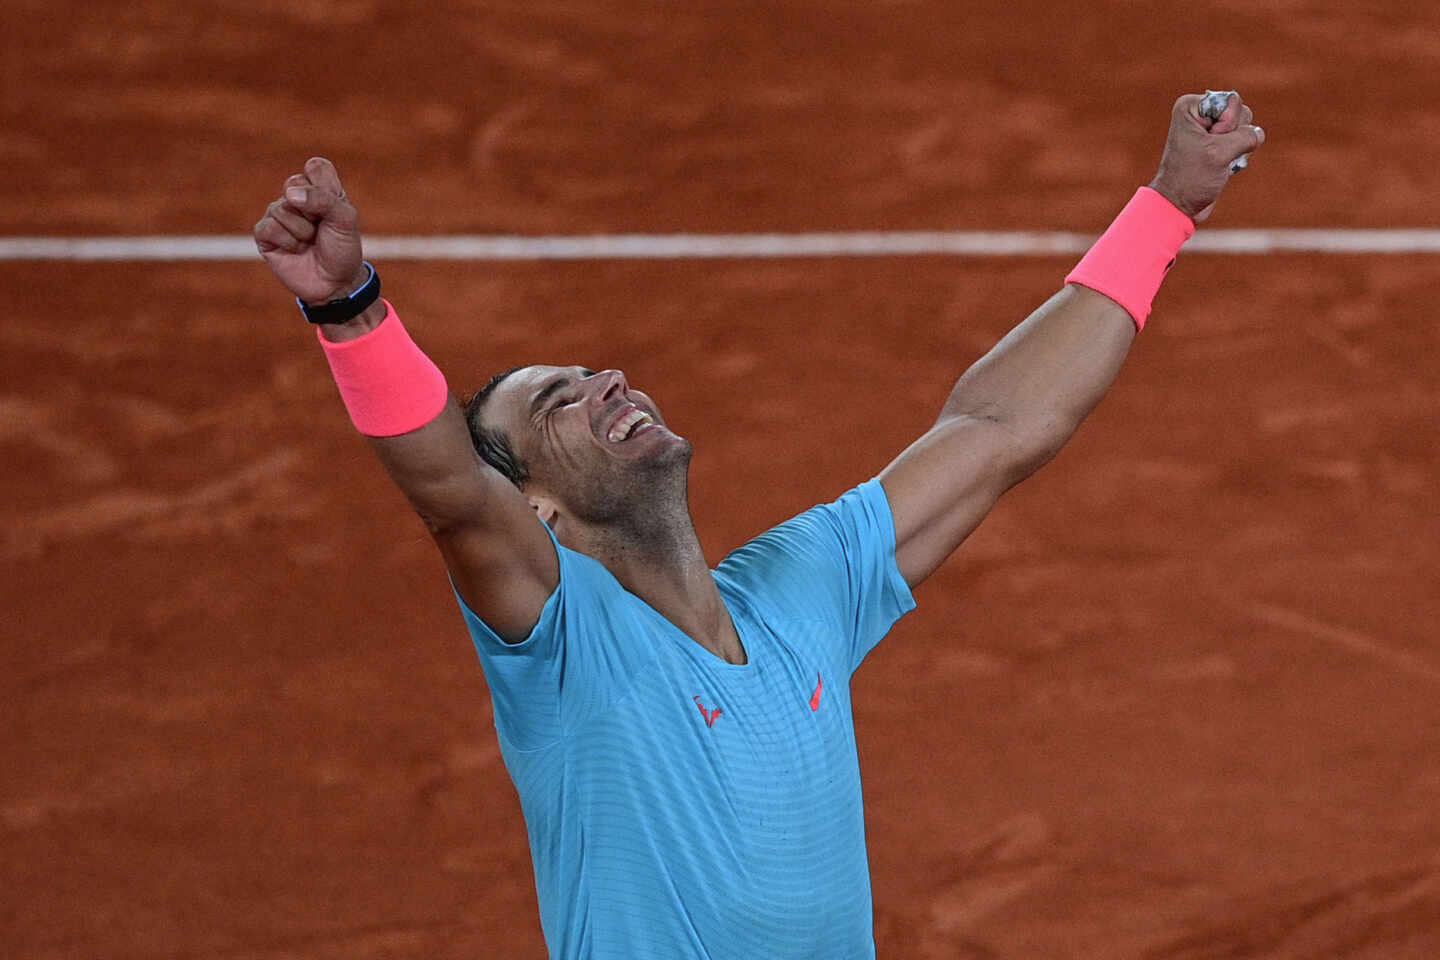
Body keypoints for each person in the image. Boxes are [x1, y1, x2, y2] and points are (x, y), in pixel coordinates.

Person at [253, 90, 1263, 959]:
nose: (603, 379)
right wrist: (350, 305)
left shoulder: (799, 588)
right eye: (555, 402)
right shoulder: (565, 646)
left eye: (590, 370)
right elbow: (450, 493)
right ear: (537, 514)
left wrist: (1166, 207)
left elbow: (997, 429)